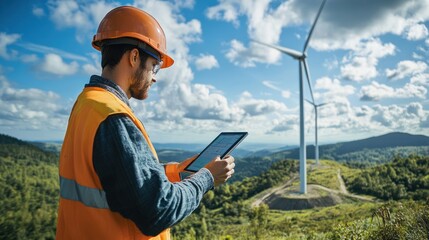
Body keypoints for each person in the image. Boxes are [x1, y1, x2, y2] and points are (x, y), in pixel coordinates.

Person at [56, 6, 235, 240]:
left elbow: (124, 178)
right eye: (154, 65)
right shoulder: (113, 117)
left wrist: (179, 172)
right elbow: (158, 210)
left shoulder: (87, 104)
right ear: (133, 57)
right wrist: (206, 178)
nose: (155, 76)